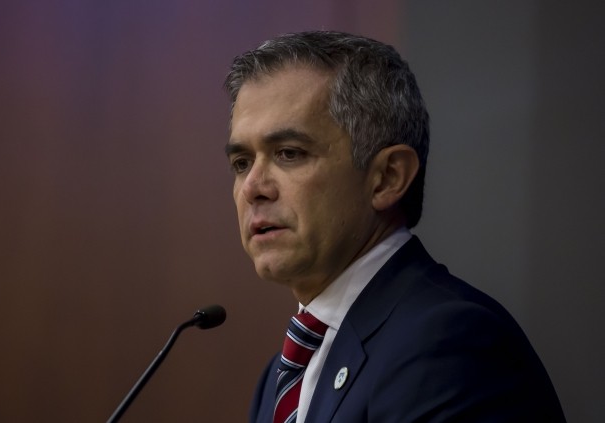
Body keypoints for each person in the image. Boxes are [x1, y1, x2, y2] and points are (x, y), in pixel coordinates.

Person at [223, 31, 565, 422]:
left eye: (289, 153)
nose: (252, 188)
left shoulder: (448, 343)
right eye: (241, 162)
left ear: (387, 177)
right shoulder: (279, 377)